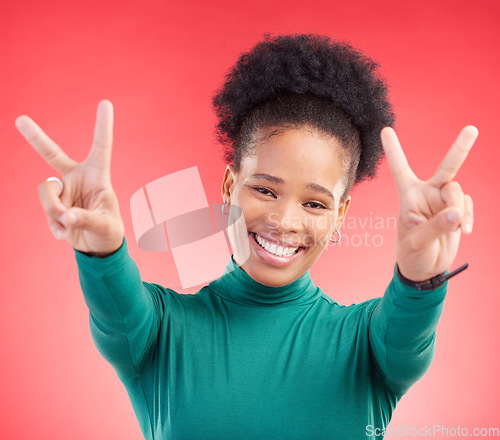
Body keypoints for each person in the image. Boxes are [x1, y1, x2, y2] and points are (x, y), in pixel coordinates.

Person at [16, 34, 477, 440]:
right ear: (228, 187)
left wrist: (421, 272)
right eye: (264, 189)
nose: (284, 220)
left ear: (340, 217)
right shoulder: (157, 331)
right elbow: (114, 309)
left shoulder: (367, 346)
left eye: (314, 203)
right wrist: (100, 247)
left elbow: (408, 332)